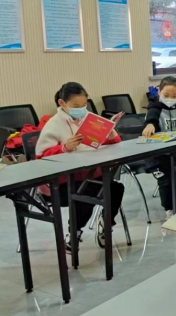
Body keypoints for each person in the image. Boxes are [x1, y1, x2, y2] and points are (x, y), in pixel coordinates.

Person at [35, 82, 124, 251]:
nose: (81, 110)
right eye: (76, 106)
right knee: (84, 193)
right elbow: (41, 157)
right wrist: (64, 148)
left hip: (91, 174)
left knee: (115, 189)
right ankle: (74, 232)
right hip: (62, 184)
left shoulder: (89, 119)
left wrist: (111, 132)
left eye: (84, 105)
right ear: (62, 103)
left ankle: (105, 225)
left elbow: (113, 143)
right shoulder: (54, 124)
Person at [143, 76, 176, 219]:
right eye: (166, 95)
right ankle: (169, 210)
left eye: (174, 96)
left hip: (172, 153)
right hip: (156, 155)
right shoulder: (155, 108)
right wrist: (150, 125)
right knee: (166, 181)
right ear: (159, 92)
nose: (170, 99)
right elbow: (151, 120)